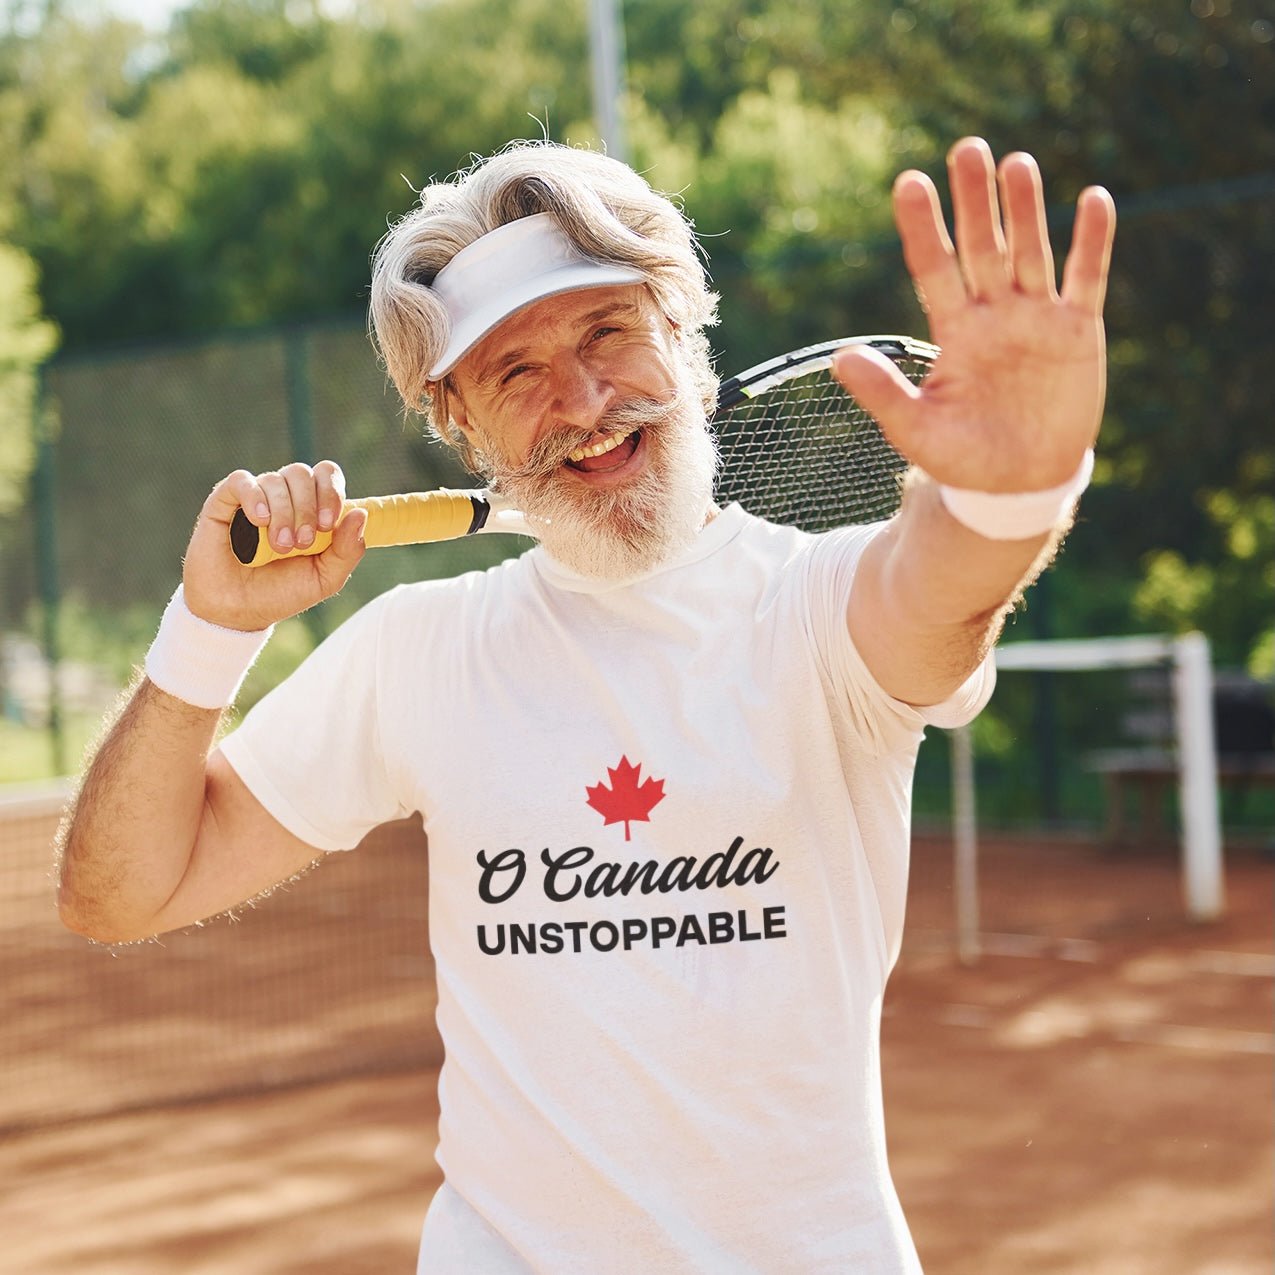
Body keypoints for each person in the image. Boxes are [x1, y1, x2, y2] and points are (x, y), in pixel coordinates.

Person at [57, 136, 1115, 1272]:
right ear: (459, 424)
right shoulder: (422, 652)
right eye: (514, 372)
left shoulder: (821, 612)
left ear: (688, 346)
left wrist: (1012, 494)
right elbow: (121, 892)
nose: (582, 399)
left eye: (609, 332)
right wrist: (209, 630)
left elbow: (942, 588)